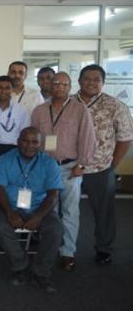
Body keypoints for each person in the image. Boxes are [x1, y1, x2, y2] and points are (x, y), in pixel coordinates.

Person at [30, 71, 96, 271]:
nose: (59, 86)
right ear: (50, 85)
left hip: (69, 168)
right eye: (56, 83)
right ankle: (48, 247)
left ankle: (67, 252)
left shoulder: (79, 109)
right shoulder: (39, 110)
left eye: (64, 84)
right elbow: (32, 139)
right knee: (47, 210)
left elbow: (88, 138)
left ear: (70, 87)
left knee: (69, 211)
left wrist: (82, 164)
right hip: (45, 168)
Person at [76, 64, 133, 265]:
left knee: (103, 211)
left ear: (102, 82)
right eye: (87, 79)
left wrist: (112, 165)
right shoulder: (67, 102)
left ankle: (103, 248)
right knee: (65, 209)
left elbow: (125, 138)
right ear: (79, 80)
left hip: (99, 169)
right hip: (69, 168)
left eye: (96, 79)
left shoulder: (115, 106)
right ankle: (64, 247)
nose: (91, 83)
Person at [0, 127, 63, 293]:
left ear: (40, 144)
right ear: (18, 141)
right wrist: (10, 212)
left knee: (55, 228)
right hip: (9, 206)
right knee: (1, 227)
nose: (29, 145)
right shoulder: (5, 159)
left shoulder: (49, 163)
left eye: (35, 142)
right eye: (25, 141)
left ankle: (41, 272)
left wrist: (38, 216)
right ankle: (20, 266)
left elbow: (53, 195)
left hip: (39, 207)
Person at [0, 76, 30, 162]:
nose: (3, 91)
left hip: (14, 150)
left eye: (7, 88)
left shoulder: (21, 110)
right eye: (0, 88)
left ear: (12, 90)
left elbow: (24, 133)